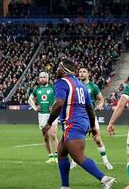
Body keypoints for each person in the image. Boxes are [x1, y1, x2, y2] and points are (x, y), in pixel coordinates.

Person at [42, 59, 116, 189]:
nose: (56, 70)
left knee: (78, 157)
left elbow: (59, 104)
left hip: (73, 123)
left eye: (59, 67)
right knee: (61, 153)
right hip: (81, 121)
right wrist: (92, 126)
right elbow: (90, 109)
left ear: (64, 70)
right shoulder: (81, 85)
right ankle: (65, 186)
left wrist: (48, 123)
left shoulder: (61, 82)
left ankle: (105, 179)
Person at [78, 67, 112, 170]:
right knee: (77, 140)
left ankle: (106, 162)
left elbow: (101, 99)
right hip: (79, 117)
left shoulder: (93, 86)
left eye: (84, 72)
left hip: (91, 116)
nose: (82, 73)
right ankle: (74, 162)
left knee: (97, 139)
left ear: (88, 74)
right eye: (80, 72)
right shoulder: (75, 86)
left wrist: (100, 105)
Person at [27, 71, 59, 163]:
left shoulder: (53, 87)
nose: (42, 79)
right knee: (45, 137)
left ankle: (57, 156)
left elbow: (59, 98)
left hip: (52, 114)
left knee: (53, 134)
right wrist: (35, 107)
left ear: (47, 78)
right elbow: (30, 99)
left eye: (44, 77)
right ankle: (50, 156)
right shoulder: (37, 89)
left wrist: (54, 106)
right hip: (42, 115)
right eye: (41, 77)